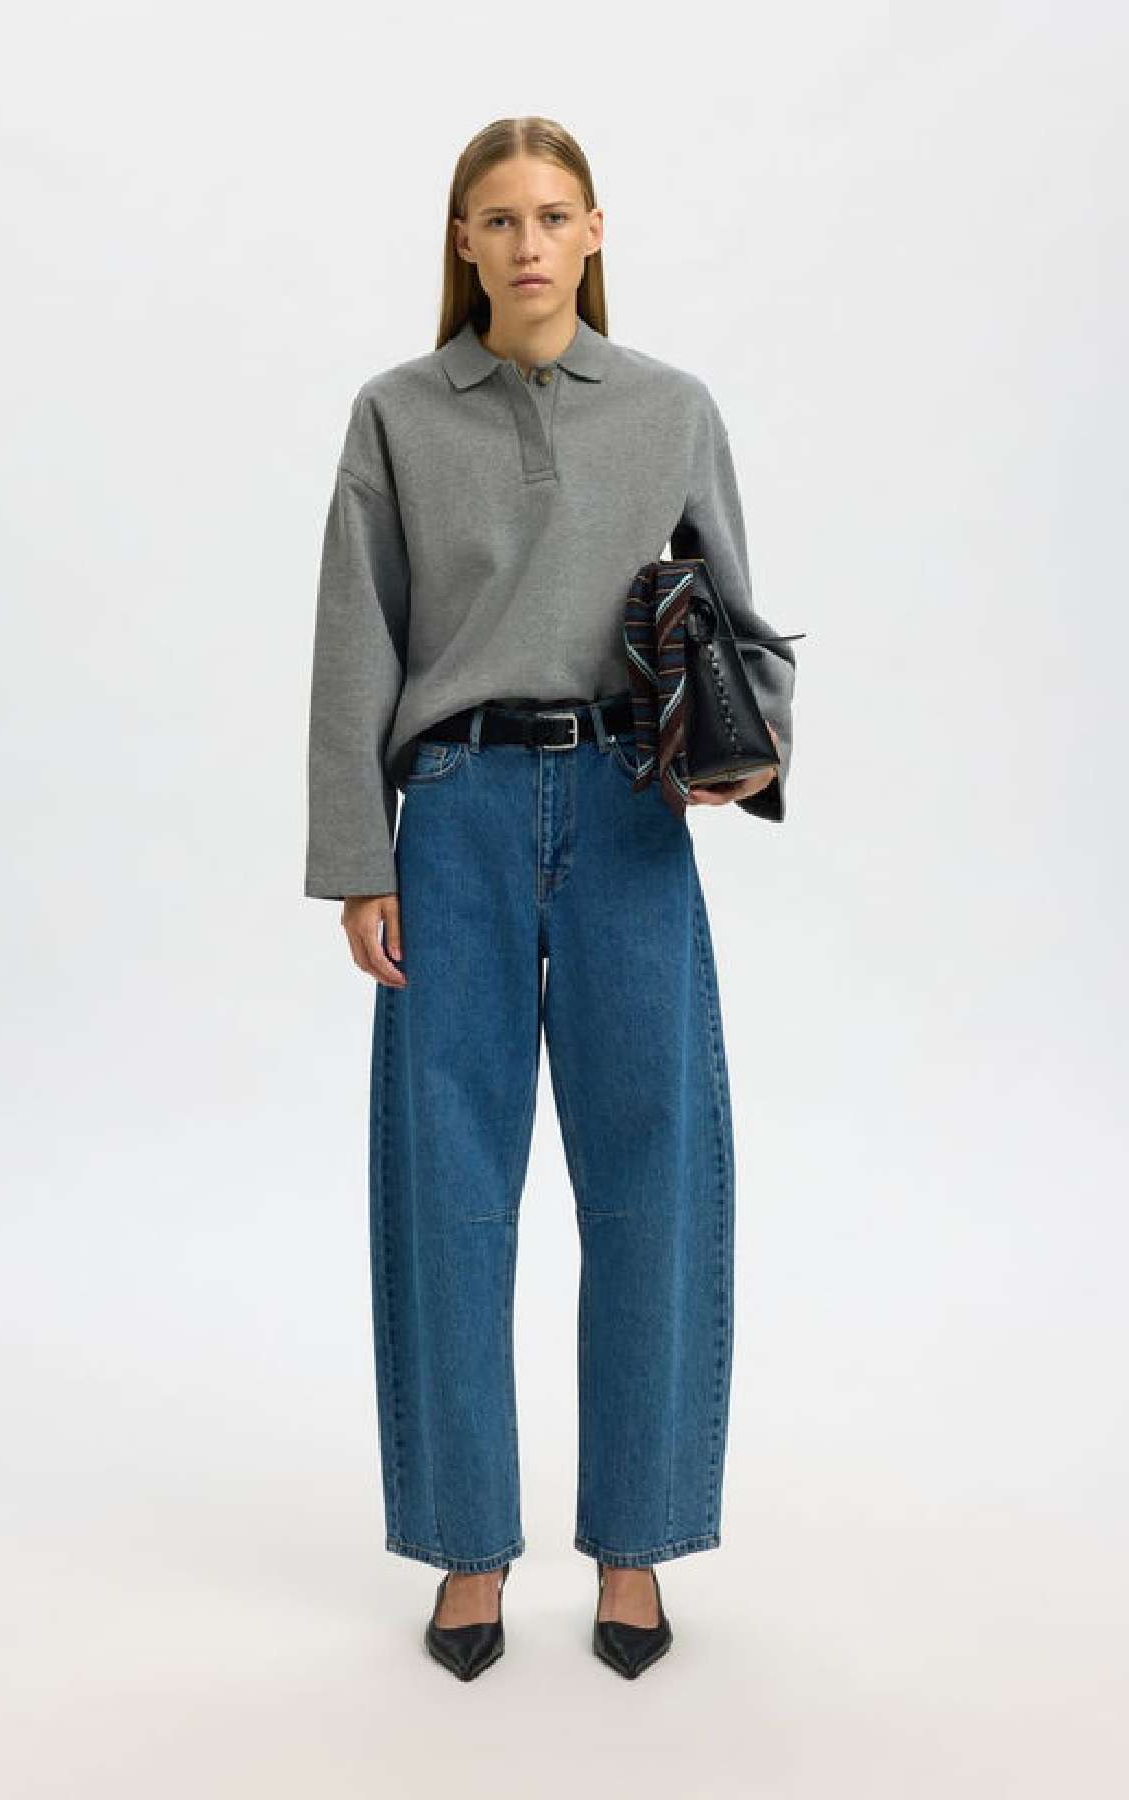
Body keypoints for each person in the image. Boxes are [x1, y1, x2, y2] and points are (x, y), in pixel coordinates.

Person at [303, 116, 797, 1681]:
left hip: (627, 811)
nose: (528, 243)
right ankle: (469, 1546)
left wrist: (748, 748)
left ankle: (635, 1542)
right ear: (463, 240)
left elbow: (745, 621)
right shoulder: (396, 415)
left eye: (555, 215)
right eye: (500, 218)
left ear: (594, 233)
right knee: (448, 1182)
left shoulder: (669, 407)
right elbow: (356, 640)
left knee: (654, 1170)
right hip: (450, 814)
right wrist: (358, 857)